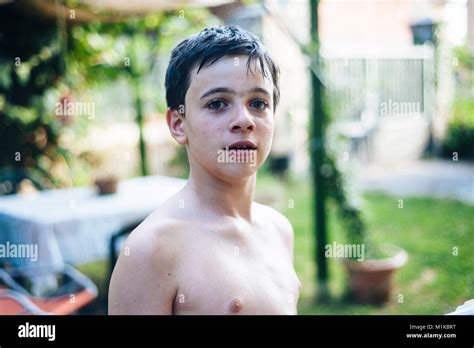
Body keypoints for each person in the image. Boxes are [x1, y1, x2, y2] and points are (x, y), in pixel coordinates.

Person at [109, 25, 301, 315]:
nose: (243, 120)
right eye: (217, 103)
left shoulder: (279, 230)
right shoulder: (151, 250)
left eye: (258, 103)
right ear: (178, 124)